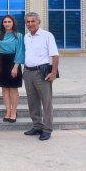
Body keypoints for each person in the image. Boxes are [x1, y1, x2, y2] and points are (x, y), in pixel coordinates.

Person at [23, 12, 59, 141]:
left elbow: (55, 55)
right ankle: (37, 126)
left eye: (33, 21)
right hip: (27, 72)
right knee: (32, 102)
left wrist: (53, 72)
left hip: (42, 73)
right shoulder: (26, 37)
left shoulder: (47, 36)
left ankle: (47, 129)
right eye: (28, 22)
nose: (30, 24)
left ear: (39, 22)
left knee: (46, 102)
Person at [0, 15, 24, 123]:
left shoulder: (18, 36)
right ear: (2, 24)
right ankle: (8, 111)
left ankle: (14, 112)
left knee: (13, 88)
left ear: (13, 23)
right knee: (4, 88)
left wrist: (16, 67)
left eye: (9, 21)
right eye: (5, 22)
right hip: (2, 62)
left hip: (13, 61)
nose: (7, 23)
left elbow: (20, 51)